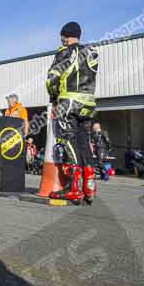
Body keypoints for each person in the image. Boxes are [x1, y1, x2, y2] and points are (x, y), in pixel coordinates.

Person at [46, 22, 99, 204]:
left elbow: (52, 79)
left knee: (68, 140)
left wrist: (54, 100)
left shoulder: (64, 51)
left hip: (68, 102)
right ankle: (89, 187)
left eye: (61, 36)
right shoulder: (92, 52)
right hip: (88, 103)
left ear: (64, 36)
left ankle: (74, 188)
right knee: (84, 142)